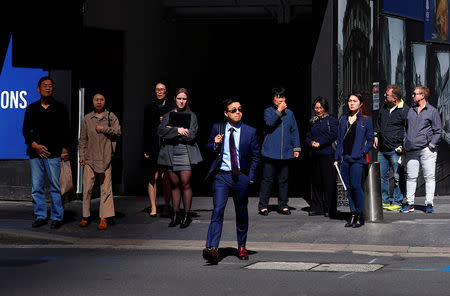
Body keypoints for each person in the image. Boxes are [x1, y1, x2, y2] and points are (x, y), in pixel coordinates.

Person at [203, 99, 261, 264]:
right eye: (233, 110)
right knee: (218, 210)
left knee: (241, 212)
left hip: (241, 176)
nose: (237, 112)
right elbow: (207, 147)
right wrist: (215, 143)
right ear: (226, 113)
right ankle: (212, 248)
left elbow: (256, 155)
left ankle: (241, 246)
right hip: (222, 176)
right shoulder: (218, 128)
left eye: (240, 109)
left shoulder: (250, 131)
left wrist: (251, 177)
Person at [22, 76, 70, 229]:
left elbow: (65, 130)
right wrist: (35, 145)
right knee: (37, 187)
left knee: (55, 187)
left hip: (54, 153)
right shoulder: (32, 108)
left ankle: (57, 217)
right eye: (44, 85)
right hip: (35, 153)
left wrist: (64, 149)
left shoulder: (60, 108)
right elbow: (25, 130)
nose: (48, 88)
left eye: (50, 85)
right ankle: (40, 215)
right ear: (38, 89)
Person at [157, 88, 202, 228]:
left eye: (184, 99)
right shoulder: (168, 115)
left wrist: (173, 131)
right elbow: (161, 132)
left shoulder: (191, 115)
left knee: (186, 183)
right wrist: (178, 130)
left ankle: (187, 215)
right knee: (174, 184)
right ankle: (175, 214)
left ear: (187, 100)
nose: (181, 101)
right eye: (179, 98)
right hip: (170, 152)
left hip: (185, 153)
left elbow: (192, 135)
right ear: (175, 99)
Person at [78, 92, 121, 230]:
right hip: (90, 158)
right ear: (92, 102)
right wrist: (82, 156)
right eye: (96, 99)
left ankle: (104, 218)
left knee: (106, 189)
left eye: (101, 99)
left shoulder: (110, 116)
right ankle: (85, 216)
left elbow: (118, 132)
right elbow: (82, 139)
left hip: (106, 158)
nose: (99, 102)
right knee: (87, 188)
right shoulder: (87, 118)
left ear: (105, 101)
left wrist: (104, 129)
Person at [258, 87, 300, 216]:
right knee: (267, 179)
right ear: (273, 99)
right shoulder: (268, 111)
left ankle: (283, 205)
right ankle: (263, 206)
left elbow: (294, 131)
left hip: (285, 153)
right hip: (270, 152)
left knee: (284, 180)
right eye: (277, 97)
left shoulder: (290, 113)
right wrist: (279, 111)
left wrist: (296, 147)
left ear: (285, 98)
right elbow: (269, 123)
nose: (280, 99)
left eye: (282, 97)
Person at [334, 93, 374, 228]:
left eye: (354, 101)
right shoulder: (343, 119)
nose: (351, 103)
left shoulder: (365, 120)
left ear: (360, 103)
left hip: (357, 159)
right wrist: (336, 158)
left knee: (356, 186)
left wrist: (362, 152)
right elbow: (339, 140)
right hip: (344, 159)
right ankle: (352, 214)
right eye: (350, 101)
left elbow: (370, 140)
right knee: (348, 188)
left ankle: (360, 215)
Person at [401, 86, 442, 213]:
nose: (412, 96)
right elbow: (405, 128)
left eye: (415, 94)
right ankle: (410, 203)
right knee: (411, 177)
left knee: (429, 177)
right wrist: (405, 141)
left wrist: (431, 146)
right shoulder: (411, 111)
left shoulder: (432, 111)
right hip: (411, 150)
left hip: (426, 150)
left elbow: (438, 131)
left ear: (422, 95)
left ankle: (429, 203)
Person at [373, 85, 409, 211]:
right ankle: (385, 201)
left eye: (387, 94)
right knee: (382, 177)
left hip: (396, 150)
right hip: (382, 150)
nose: (384, 96)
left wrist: (404, 146)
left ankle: (398, 201)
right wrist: (376, 136)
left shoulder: (405, 110)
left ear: (395, 98)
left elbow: (408, 129)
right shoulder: (384, 107)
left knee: (398, 177)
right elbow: (378, 123)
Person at [143, 82, 172, 217]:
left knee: (165, 177)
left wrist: (166, 121)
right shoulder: (149, 107)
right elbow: (145, 129)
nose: (160, 92)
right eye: (157, 90)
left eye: (162, 90)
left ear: (166, 92)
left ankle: (166, 206)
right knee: (152, 176)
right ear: (155, 92)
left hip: (166, 145)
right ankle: (153, 207)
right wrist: (145, 149)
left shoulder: (171, 107)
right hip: (153, 145)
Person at [306, 97, 338, 217]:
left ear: (325, 108)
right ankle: (317, 207)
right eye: (316, 108)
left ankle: (330, 208)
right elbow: (308, 136)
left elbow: (334, 134)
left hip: (327, 153)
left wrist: (321, 142)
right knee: (316, 182)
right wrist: (311, 143)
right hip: (315, 154)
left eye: (320, 108)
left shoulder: (332, 120)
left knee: (329, 182)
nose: (318, 110)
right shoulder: (312, 121)